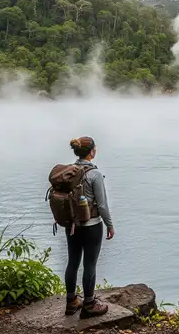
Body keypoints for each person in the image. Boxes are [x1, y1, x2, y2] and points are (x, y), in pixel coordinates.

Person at [64, 136, 115, 318]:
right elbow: (101, 205)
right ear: (92, 152)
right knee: (90, 264)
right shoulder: (94, 174)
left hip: (72, 226)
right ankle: (89, 304)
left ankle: (71, 302)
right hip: (92, 226)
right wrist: (110, 225)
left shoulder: (69, 172)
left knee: (72, 262)